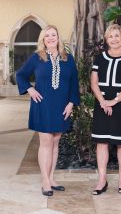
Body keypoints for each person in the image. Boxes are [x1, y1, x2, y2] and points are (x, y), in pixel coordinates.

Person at [16, 25, 80, 196]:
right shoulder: (37, 58)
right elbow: (20, 75)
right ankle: (45, 180)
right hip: (42, 104)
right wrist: (29, 89)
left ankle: (51, 178)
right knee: (46, 142)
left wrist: (71, 103)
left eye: (53, 35)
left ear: (58, 38)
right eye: (47, 36)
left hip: (62, 106)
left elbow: (74, 83)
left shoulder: (68, 59)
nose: (51, 38)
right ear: (43, 40)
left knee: (56, 141)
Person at [91, 24, 121, 195]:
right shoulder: (99, 58)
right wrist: (103, 101)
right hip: (101, 102)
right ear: (106, 39)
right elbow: (94, 83)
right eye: (110, 36)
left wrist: (114, 101)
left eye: (117, 36)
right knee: (101, 141)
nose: (114, 39)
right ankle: (102, 180)